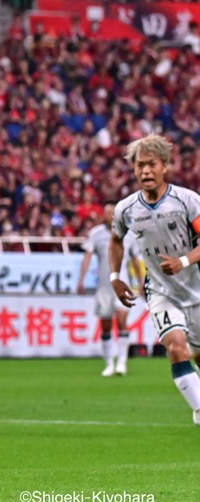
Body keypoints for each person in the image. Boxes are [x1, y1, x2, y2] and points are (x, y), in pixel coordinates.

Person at [110, 133, 200, 425]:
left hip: (195, 288)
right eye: (140, 165)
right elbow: (116, 240)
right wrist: (115, 276)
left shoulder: (187, 201)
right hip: (160, 290)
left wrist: (183, 261)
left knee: (198, 355)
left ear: (164, 166)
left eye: (151, 164)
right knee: (175, 347)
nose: (146, 171)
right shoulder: (126, 209)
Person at [77, 201, 144, 377]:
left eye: (114, 213)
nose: (111, 216)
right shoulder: (96, 233)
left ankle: (122, 362)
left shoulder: (129, 234)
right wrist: (81, 279)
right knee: (105, 325)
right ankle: (108, 364)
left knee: (121, 321)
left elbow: (135, 260)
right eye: (108, 213)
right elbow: (87, 256)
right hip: (104, 287)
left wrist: (140, 282)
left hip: (123, 284)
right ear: (103, 215)